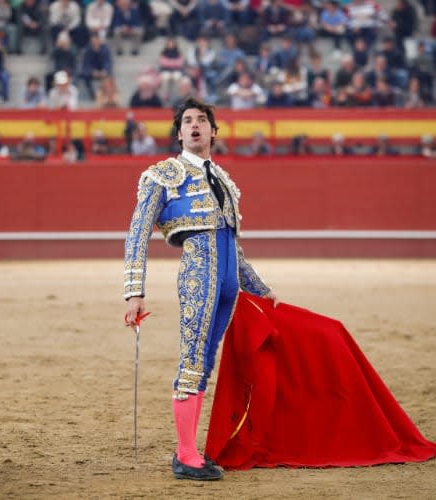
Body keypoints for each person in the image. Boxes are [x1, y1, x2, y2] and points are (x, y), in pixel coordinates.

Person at [123, 97, 278, 481]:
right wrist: (134, 292)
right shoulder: (162, 175)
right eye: (187, 121)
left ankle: (190, 449)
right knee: (193, 359)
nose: (194, 125)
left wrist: (260, 288)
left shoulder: (224, 180)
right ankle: (185, 455)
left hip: (227, 282)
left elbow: (232, 244)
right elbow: (137, 233)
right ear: (179, 133)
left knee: (206, 360)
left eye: (201, 120)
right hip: (199, 274)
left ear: (212, 131)